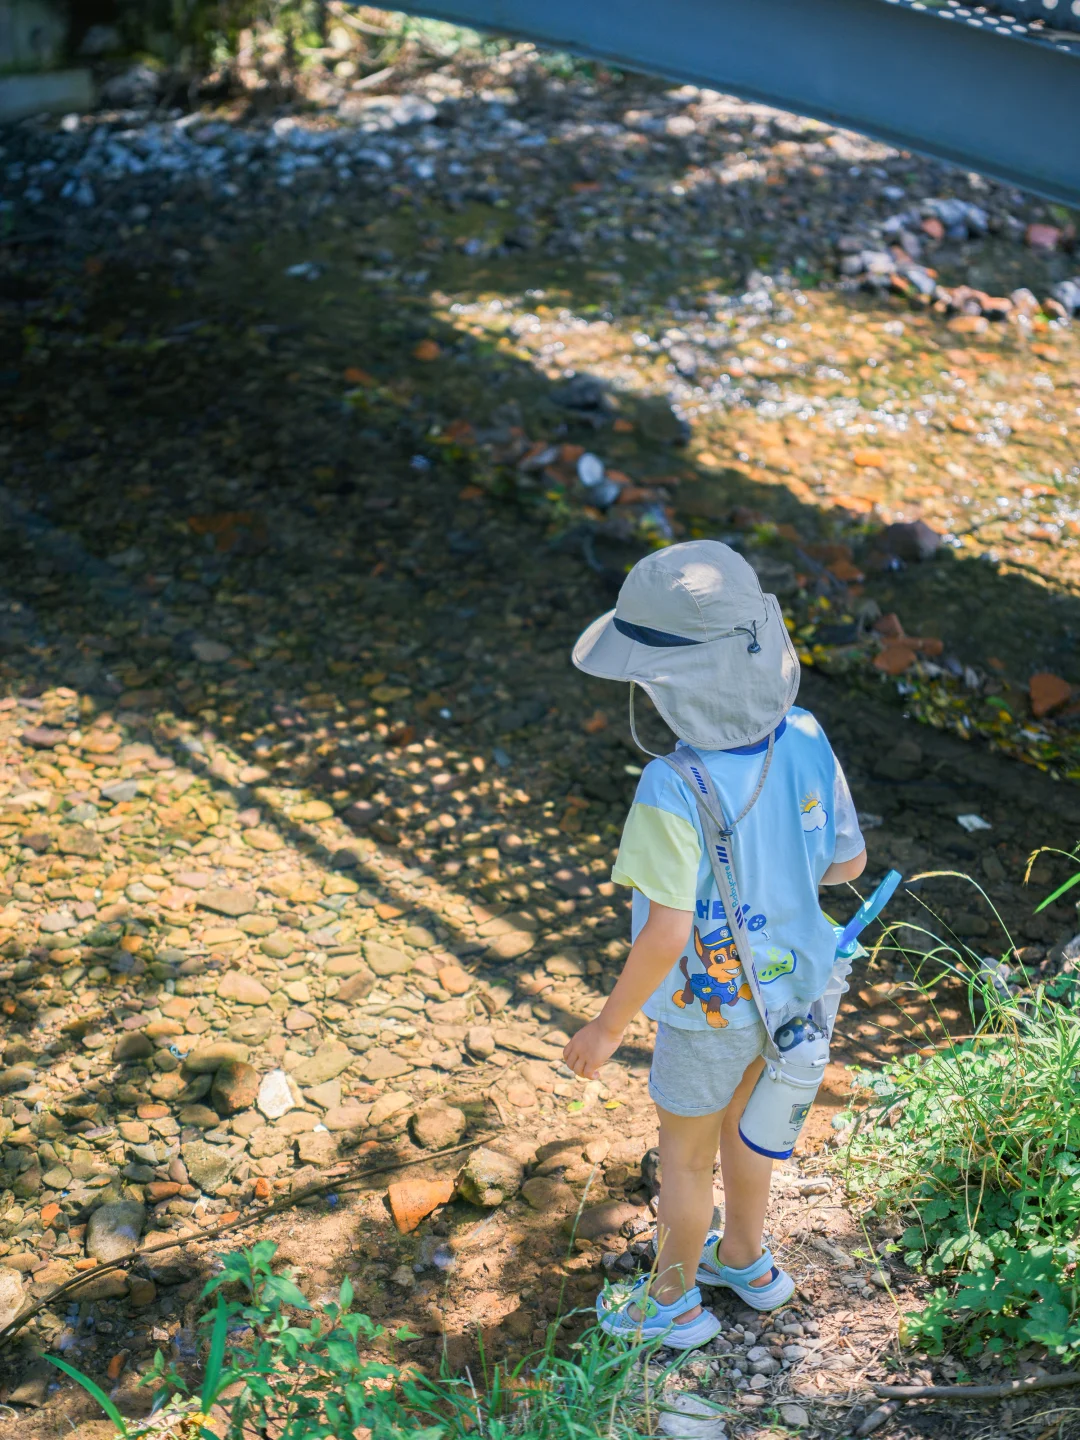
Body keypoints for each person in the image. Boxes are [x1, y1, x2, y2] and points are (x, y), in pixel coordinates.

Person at [563, 540, 866, 1350]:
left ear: (665, 687)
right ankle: (747, 1260)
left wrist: (607, 1027)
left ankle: (671, 1304)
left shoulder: (671, 786)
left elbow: (666, 934)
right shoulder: (806, 734)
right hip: (792, 990)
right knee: (748, 1128)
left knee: (686, 1158)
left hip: (709, 1012)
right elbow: (847, 864)